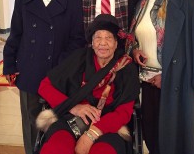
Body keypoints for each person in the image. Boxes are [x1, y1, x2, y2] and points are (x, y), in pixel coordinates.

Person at [3, 0, 85, 154]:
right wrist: (9, 65)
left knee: (57, 122)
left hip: (59, 74)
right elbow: (16, 32)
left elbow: (77, 39)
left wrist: (62, 69)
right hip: (29, 70)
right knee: (31, 122)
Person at [128, 0, 194, 154]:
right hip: (147, 81)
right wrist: (135, 50)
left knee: (173, 139)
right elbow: (138, 36)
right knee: (152, 134)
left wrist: (171, 77)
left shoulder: (189, 1)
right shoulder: (141, 4)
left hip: (175, 81)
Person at [36, 14, 140, 154]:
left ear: (116, 43)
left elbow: (124, 111)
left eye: (108, 38)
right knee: (56, 149)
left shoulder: (126, 67)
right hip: (71, 119)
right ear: (92, 41)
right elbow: (45, 86)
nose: (102, 43)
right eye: (98, 37)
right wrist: (74, 107)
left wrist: (92, 134)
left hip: (109, 126)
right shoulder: (79, 58)